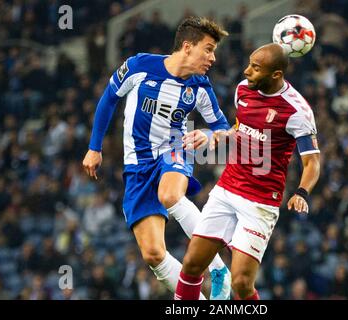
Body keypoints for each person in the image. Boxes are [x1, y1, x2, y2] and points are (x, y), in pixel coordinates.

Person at [82, 16, 232, 300]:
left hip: (174, 148)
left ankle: (218, 270)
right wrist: (94, 147)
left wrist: (211, 137)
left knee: (170, 195)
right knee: (153, 254)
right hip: (137, 165)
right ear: (187, 47)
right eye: (208, 49)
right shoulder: (140, 66)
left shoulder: (200, 86)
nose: (212, 57)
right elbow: (109, 97)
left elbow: (222, 127)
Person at [174, 43, 321, 300]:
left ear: (276, 74)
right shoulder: (243, 90)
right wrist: (215, 135)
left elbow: (312, 163)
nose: (246, 71)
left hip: (261, 202)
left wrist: (301, 192)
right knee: (192, 264)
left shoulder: (297, 111)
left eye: (255, 67)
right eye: (249, 64)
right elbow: (240, 129)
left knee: (241, 283)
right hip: (227, 189)